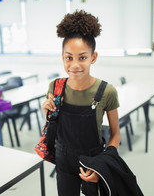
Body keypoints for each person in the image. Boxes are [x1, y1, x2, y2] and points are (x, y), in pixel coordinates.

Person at [42, 10, 121, 196]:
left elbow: (116, 135)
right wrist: (45, 110)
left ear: (93, 57)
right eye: (69, 57)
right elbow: (52, 123)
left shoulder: (107, 92)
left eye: (82, 57)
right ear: (62, 57)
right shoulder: (55, 86)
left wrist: (101, 165)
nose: (75, 65)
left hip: (92, 162)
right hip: (63, 161)